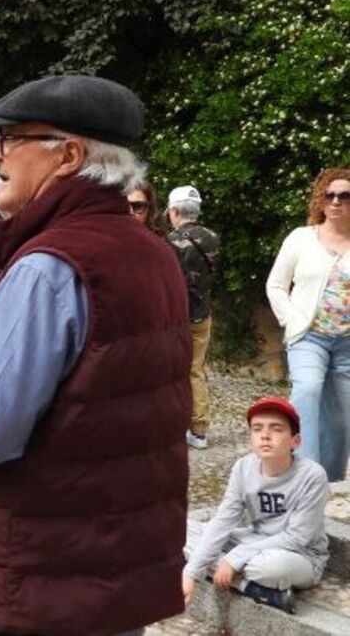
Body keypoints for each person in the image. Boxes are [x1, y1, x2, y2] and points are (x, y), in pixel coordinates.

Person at [0, 74, 192, 635]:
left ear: (68, 154)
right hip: (107, 576)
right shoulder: (152, 254)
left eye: (11, 139)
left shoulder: (49, 267)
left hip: (34, 583)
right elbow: (95, 395)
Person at [182, 397, 329, 614]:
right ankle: (249, 587)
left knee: (270, 568)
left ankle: (211, 566)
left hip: (299, 556)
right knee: (177, 530)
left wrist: (234, 558)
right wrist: (191, 573)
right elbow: (223, 521)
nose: (265, 436)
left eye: (276, 429)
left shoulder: (312, 476)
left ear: (295, 441)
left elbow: (297, 538)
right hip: (254, 541)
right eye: (257, 429)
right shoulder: (243, 467)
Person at [266, 167, 350, 481]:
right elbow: (276, 284)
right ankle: (303, 475)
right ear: (321, 200)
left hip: (347, 343)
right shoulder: (301, 239)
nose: (336, 201)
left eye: (344, 195)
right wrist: (291, 320)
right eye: (330, 195)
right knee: (308, 389)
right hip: (309, 337)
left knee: (342, 416)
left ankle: (331, 480)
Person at [167, 185, 220, 450]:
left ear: (174, 211)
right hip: (203, 314)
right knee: (195, 370)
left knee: (172, 370)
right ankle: (199, 430)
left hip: (176, 315)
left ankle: (172, 425)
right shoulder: (212, 238)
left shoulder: (170, 241)